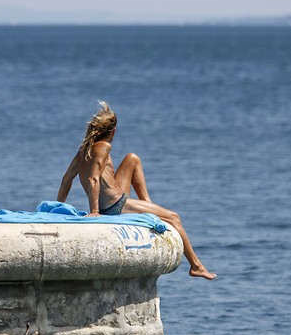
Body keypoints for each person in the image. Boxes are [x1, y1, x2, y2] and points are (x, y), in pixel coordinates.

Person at [57, 101, 216, 280]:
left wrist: (58, 207)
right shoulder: (104, 147)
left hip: (113, 200)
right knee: (174, 218)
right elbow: (93, 178)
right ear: (113, 131)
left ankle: (147, 206)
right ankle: (196, 266)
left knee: (132, 159)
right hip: (115, 206)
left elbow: (66, 181)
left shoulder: (82, 151)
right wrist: (94, 211)